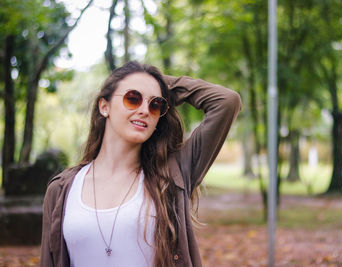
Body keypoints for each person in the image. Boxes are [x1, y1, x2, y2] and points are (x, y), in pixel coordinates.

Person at [40, 61, 241, 267]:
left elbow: (226, 102)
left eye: (155, 104)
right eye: (133, 98)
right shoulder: (62, 189)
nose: (145, 110)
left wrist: (161, 84)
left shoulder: (172, 175)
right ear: (104, 106)